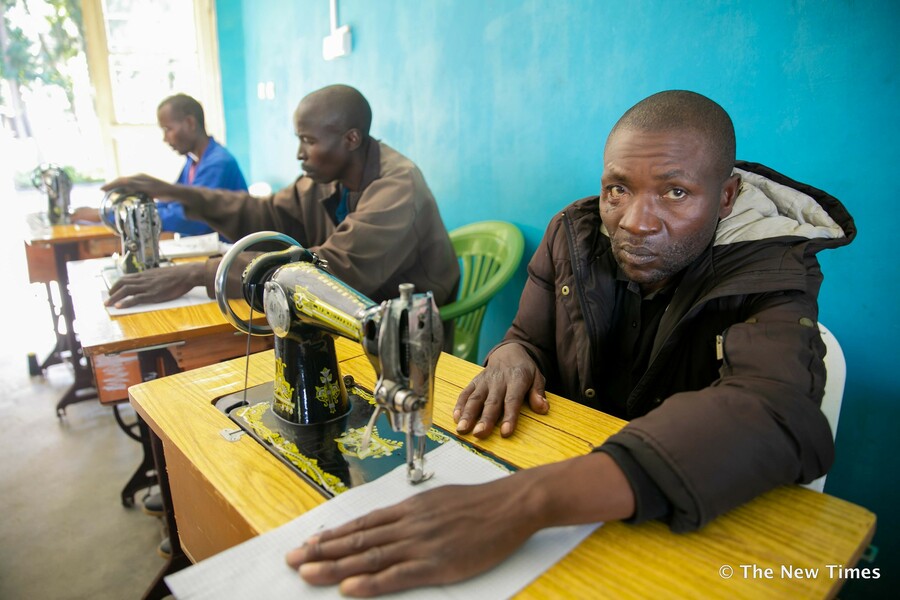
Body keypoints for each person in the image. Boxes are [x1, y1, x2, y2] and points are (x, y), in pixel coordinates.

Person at [283, 90, 856, 597]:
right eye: (617, 189)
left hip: (688, 538)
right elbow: (526, 337)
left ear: (726, 196)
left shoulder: (769, 270)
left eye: (676, 192)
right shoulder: (574, 237)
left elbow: (776, 410)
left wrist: (527, 503)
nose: (634, 221)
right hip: (583, 498)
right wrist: (511, 357)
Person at [101, 84, 459, 309]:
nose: (300, 153)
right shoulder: (324, 178)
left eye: (309, 141)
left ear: (350, 140)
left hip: (409, 323)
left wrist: (201, 274)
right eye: (299, 139)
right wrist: (170, 190)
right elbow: (264, 213)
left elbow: (334, 269)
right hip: (362, 305)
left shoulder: (398, 187)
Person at [73, 93, 248, 236]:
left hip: (226, 254)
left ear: (190, 123)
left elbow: (190, 219)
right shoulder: (193, 162)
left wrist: (111, 216)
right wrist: (116, 211)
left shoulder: (218, 163)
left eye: (168, 129)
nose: (165, 139)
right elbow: (171, 202)